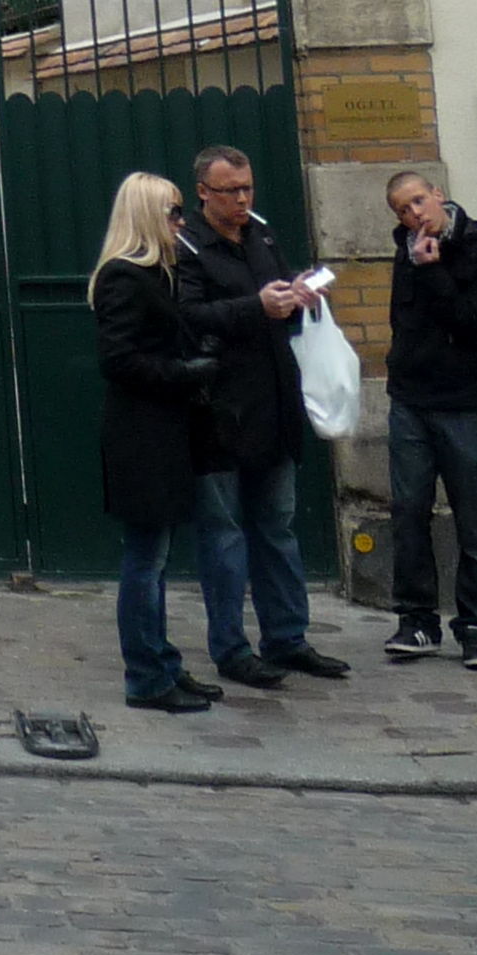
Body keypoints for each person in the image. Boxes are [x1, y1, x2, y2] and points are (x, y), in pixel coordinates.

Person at [175, 144, 349, 691]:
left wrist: (299, 293)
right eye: (230, 191)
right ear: (203, 192)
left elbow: (276, 300)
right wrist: (258, 306)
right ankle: (231, 648)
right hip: (219, 407)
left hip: (274, 403)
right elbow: (186, 316)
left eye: (247, 187)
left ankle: (288, 638)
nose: (243, 199)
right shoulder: (187, 246)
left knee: (277, 526)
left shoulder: (263, 235)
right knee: (224, 533)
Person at [90, 170, 227, 712]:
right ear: (147, 214)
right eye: (172, 211)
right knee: (146, 557)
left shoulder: (161, 273)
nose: (181, 221)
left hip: (167, 428)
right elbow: (118, 360)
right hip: (140, 433)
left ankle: (162, 661)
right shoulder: (123, 276)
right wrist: (183, 373)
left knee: (159, 556)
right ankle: (146, 677)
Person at [382, 166, 477, 671]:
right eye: (403, 209)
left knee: (474, 517)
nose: (414, 214)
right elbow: (403, 322)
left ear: (439, 195)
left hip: (464, 404)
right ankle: (416, 620)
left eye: (419, 201)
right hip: (411, 401)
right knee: (408, 511)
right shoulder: (407, 252)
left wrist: (432, 272)